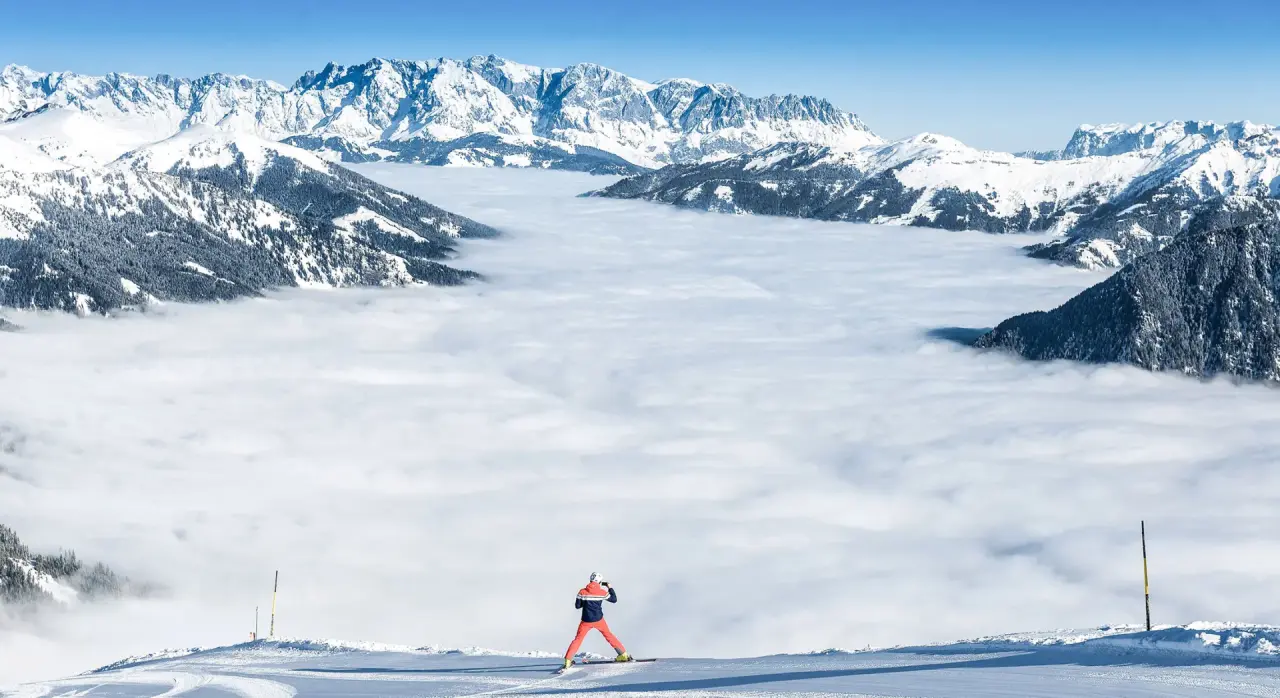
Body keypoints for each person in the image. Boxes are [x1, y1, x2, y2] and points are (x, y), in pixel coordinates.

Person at [562, 572, 631, 670]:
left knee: (578, 639)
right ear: (600, 582)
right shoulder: (602, 592)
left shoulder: (582, 592)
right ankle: (623, 655)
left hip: (586, 621)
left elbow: (578, 606)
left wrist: (585, 601)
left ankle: (568, 661)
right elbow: (614, 599)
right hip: (599, 620)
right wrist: (609, 587)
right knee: (609, 636)